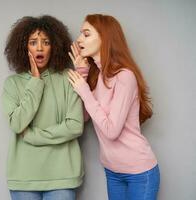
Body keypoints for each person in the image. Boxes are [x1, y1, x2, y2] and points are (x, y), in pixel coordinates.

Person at [67, 14, 160, 200]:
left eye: (86, 34)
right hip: (112, 171)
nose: (79, 40)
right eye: (80, 34)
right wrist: (83, 74)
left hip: (139, 173)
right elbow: (84, 117)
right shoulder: (97, 76)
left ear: (105, 38)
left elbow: (111, 130)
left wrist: (83, 90)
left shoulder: (125, 76)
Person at [2, 15, 84, 200]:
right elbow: (17, 124)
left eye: (46, 42)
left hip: (62, 176)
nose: (39, 47)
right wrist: (36, 82)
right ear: (23, 47)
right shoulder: (12, 84)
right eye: (33, 42)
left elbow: (75, 126)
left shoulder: (68, 79)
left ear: (54, 46)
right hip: (24, 177)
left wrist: (33, 136)